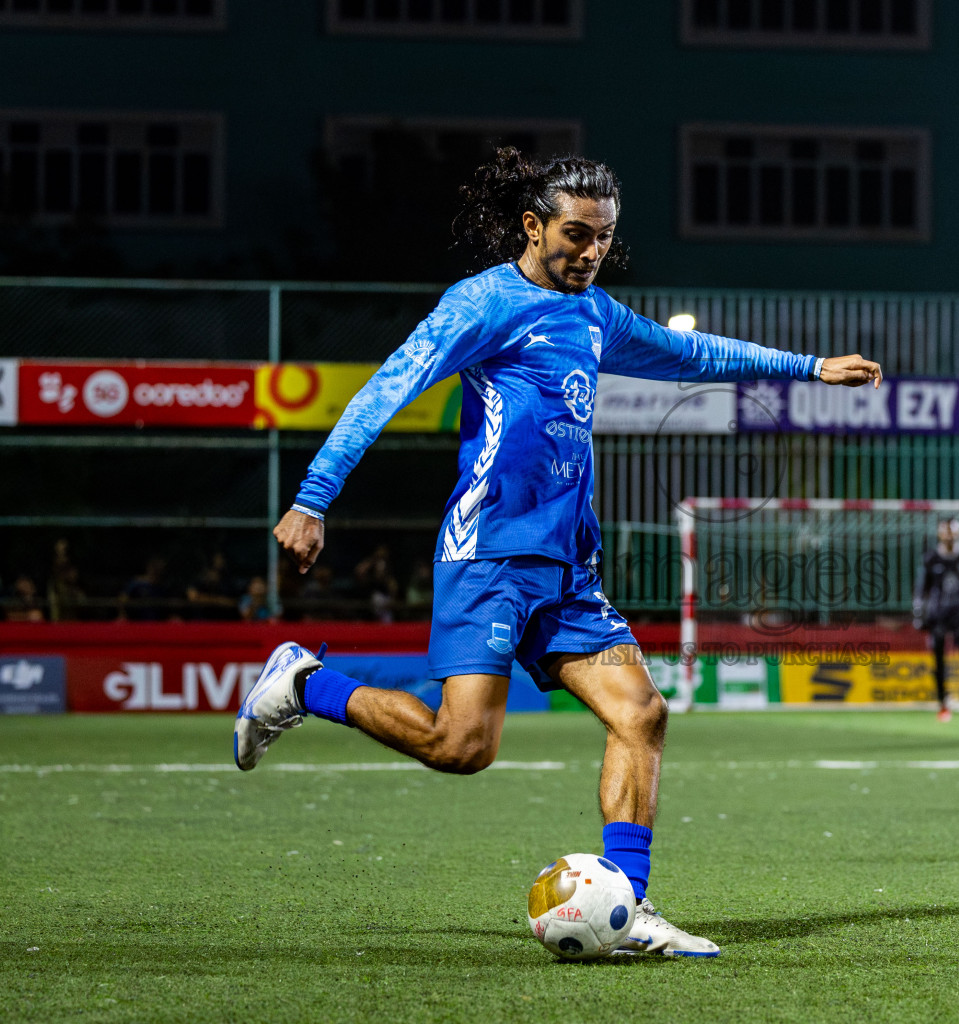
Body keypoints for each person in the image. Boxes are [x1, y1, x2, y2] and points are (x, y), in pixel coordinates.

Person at [234, 148, 882, 958]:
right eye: (576, 235)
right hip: (492, 557)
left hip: (567, 567)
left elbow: (693, 356)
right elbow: (386, 389)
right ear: (533, 226)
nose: (590, 252)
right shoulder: (482, 303)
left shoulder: (595, 313)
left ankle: (628, 906)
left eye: (604, 239)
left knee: (640, 713)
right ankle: (304, 681)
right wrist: (313, 496)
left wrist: (807, 368)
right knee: (462, 748)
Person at [912, 518, 959, 721]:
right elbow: (921, 590)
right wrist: (919, 615)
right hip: (938, 617)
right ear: (939, 534)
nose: (949, 535)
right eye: (945, 531)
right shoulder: (931, 559)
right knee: (939, 661)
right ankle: (943, 705)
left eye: (953, 531)